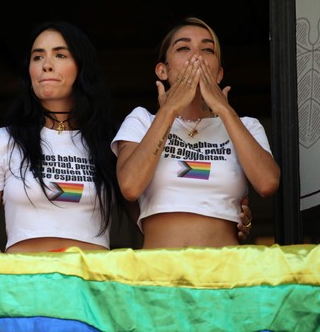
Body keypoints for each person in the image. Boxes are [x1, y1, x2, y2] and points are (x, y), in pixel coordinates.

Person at [112, 17, 280, 248]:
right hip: (159, 270)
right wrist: (169, 111)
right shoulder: (142, 121)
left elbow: (268, 183)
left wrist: (223, 109)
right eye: (183, 48)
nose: (197, 56)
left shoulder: (247, 126)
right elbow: (130, 186)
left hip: (226, 271)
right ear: (162, 70)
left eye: (207, 49)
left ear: (219, 74)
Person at [0, 21, 124, 253]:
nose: (47, 66)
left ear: (82, 67)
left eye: (60, 55)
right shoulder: (1, 141)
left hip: (92, 284)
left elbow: (149, 221)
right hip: (25, 283)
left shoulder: (112, 142)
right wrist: (11, 282)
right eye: (38, 57)